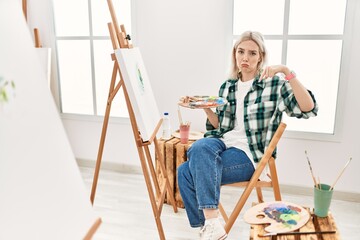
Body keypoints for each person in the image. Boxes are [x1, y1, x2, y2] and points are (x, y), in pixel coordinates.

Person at [177, 31, 318, 240]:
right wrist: (205, 108)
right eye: (241, 52)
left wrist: (286, 71)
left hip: (250, 153)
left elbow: (308, 108)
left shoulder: (273, 85)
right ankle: (212, 224)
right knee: (198, 148)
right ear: (235, 54)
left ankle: (209, 225)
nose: (245, 58)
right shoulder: (228, 86)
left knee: (184, 171)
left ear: (261, 56)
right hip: (224, 142)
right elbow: (221, 126)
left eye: (252, 53)